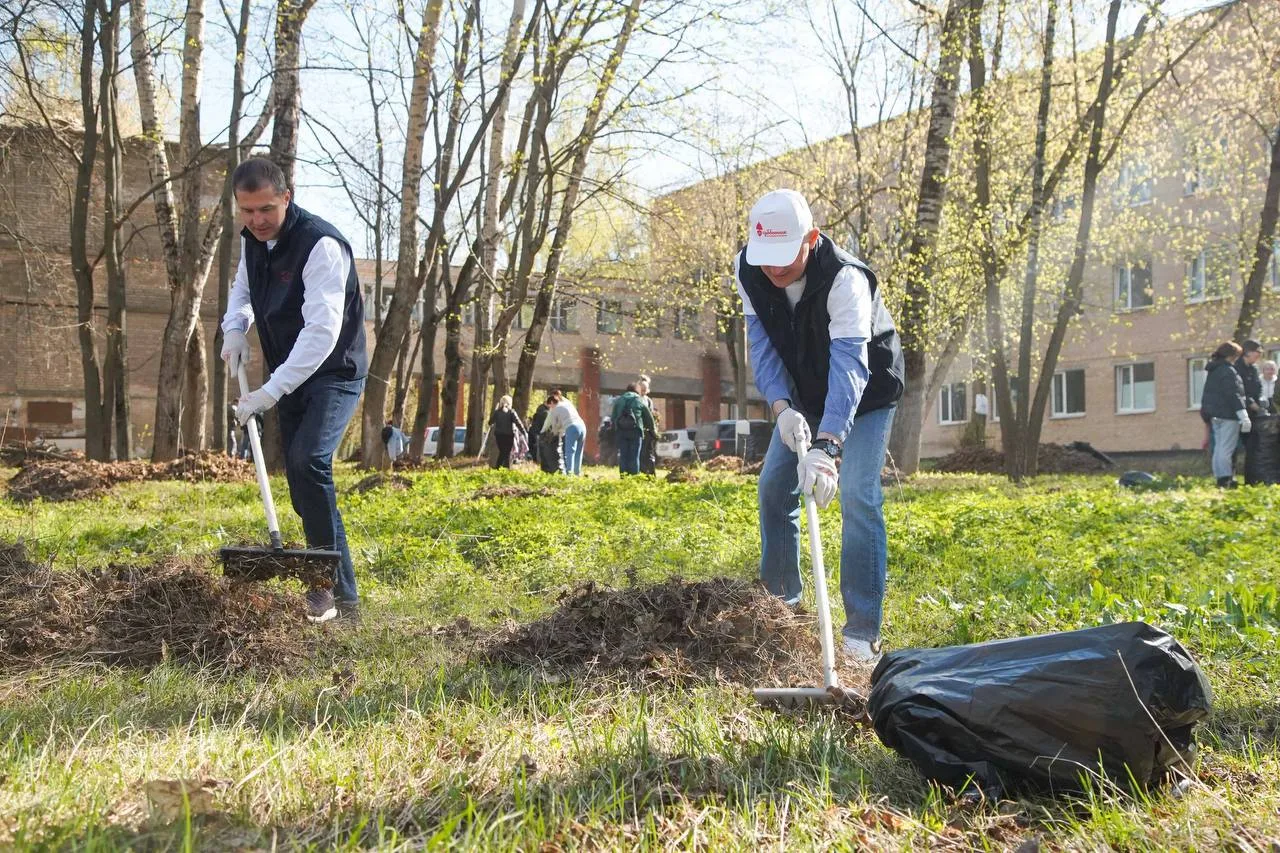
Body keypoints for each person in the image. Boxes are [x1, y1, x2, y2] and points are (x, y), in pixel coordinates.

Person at [736, 189, 904, 663]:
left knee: (857, 494)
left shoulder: (845, 279)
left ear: (811, 238)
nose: (772, 270)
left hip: (868, 390)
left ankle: (861, 633)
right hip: (803, 392)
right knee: (773, 485)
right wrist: (781, 407)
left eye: (783, 259)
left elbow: (851, 365)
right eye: (764, 258)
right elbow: (763, 346)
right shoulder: (747, 268)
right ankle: (782, 610)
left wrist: (828, 447)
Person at [219, 156, 367, 624]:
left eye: (265, 209)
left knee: (309, 462)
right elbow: (241, 293)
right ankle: (340, 593)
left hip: (334, 370)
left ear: (286, 197)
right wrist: (234, 330)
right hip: (290, 372)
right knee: (303, 487)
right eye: (246, 211)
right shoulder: (252, 244)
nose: (256, 221)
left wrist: (267, 393)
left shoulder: (320, 244)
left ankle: (330, 592)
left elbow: (321, 334)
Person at [1202, 341, 1250, 488]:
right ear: (1232, 356)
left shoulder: (1213, 370)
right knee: (1227, 448)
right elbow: (1233, 394)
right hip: (1228, 414)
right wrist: (1243, 414)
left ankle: (1220, 477)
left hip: (1215, 414)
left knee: (1219, 448)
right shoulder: (1228, 371)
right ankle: (1226, 479)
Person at [611, 382, 656, 475]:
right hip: (636, 432)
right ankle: (634, 478)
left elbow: (613, 417)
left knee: (623, 456)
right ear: (637, 391)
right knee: (634, 456)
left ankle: (623, 478)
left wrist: (617, 428)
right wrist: (652, 430)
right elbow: (649, 417)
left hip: (621, 432)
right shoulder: (639, 400)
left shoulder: (619, 400)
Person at [543, 389, 587, 475]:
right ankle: (577, 473)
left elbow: (555, 427)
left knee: (569, 452)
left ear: (552, 402)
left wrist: (551, 434)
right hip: (582, 426)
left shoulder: (555, 409)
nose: (550, 409)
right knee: (579, 452)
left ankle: (569, 473)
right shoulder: (567, 404)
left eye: (549, 406)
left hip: (572, 427)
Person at [488, 395, 526, 469]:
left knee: (503, 452)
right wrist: (524, 431)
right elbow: (518, 422)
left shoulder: (497, 412)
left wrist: (495, 413)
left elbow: (490, 422)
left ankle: (499, 468)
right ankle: (502, 468)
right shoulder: (512, 412)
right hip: (508, 435)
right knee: (506, 453)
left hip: (499, 435)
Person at [636, 374, 659, 475]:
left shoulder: (647, 400)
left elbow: (651, 416)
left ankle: (648, 473)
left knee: (647, 453)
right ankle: (645, 473)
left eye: (645, 390)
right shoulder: (640, 400)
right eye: (642, 390)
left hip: (646, 431)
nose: (643, 392)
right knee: (645, 453)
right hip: (644, 431)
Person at [528, 400, 550, 466]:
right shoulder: (545, 413)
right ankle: (539, 462)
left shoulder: (539, 411)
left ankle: (535, 462)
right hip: (539, 432)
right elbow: (545, 425)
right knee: (539, 449)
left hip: (534, 432)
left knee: (536, 448)